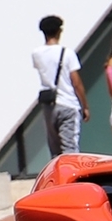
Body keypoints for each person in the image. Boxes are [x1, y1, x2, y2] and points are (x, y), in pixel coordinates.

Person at [31, 15, 87, 158]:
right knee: (70, 149)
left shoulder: (36, 54)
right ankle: (72, 179)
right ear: (59, 31)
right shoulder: (67, 53)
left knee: (55, 150)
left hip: (49, 105)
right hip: (68, 103)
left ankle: (57, 179)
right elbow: (76, 81)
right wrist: (85, 105)